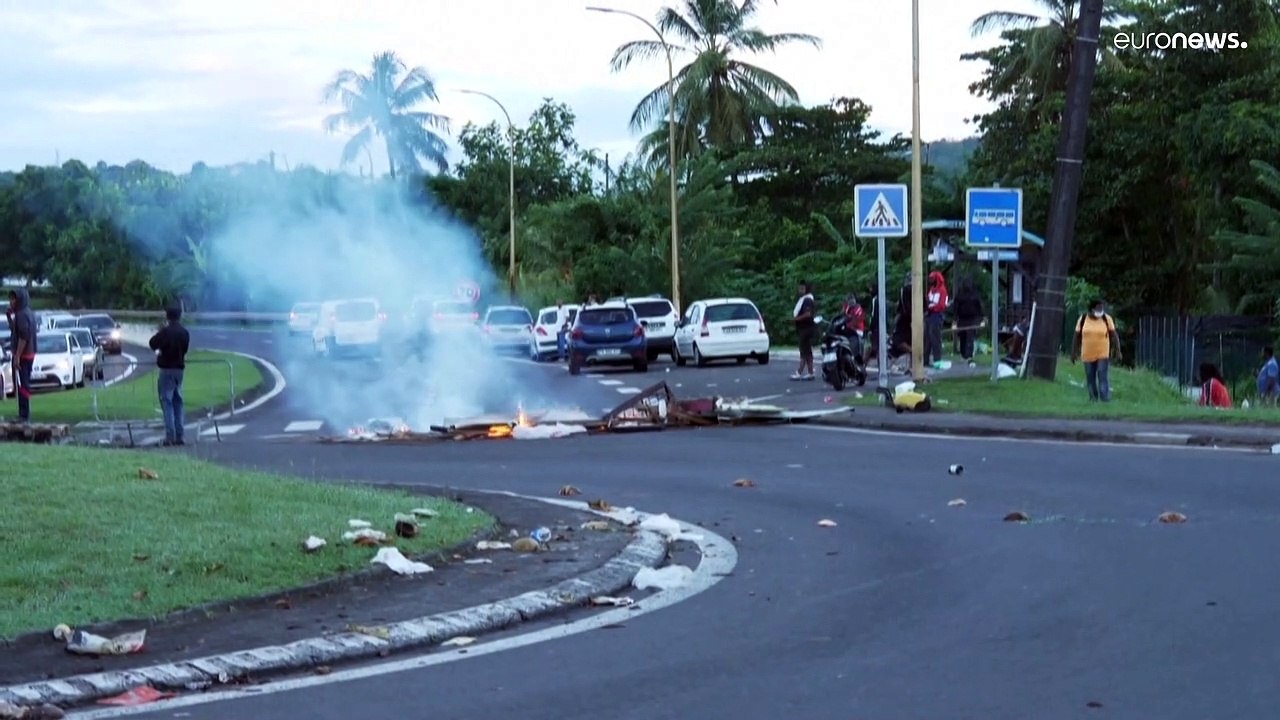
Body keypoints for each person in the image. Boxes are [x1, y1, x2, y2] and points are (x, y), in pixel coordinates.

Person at [149, 306, 191, 446]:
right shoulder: (184, 332)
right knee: (178, 401)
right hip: (179, 369)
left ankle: (170, 435)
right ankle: (180, 435)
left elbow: (152, 343)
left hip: (166, 368)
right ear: (179, 316)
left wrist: (161, 332)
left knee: (167, 401)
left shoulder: (165, 332)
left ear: (167, 317)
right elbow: (185, 349)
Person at [1070, 298, 1122, 402]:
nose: (1101, 311)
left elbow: (1114, 336)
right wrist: (1073, 352)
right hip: (1087, 354)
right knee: (1090, 377)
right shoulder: (1083, 319)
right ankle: (1093, 398)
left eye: (1102, 308)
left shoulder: (1107, 319)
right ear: (1092, 309)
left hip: (1102, 353)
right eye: (1098, 308)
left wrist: (1117, 351)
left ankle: (1105, 398)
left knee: (1102, 376)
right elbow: (1076, 336)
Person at [7, 289, 37, 423]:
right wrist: (9, 317)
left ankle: (24, 414)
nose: (11, 302)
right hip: (28, 353)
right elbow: (15, 330)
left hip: (24, 355)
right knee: (22, 383)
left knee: (22, 384)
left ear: (20, 300)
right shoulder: (26, 313)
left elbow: (23, 337)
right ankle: (23, 413)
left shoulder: (22, 315)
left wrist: (17, 356)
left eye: (13, 299)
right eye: (10, 299)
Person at [953, 281, 983, 364]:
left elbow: (979, 306)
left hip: (972, 319)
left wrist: (982, 317)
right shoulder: (960, 295)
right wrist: (955, 319)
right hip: (962, 319)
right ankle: (964, 355)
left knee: (970, 337)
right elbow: (955, 308)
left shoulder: (974, 295)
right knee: (963, 337)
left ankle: (969, 355)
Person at [791, 281, 816, 381]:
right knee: (807, 351)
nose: (800, 290)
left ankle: (799, 372)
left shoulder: (807, 300)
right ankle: (810, 372)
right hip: (805, 328)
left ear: (807, 289)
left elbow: (808, 314)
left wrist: (796, 319)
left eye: (802, 288)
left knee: (803, 351)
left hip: (806, 328)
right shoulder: (804, 299)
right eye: (799, 288)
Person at [925, 271, 949, 365]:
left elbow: (942, 305)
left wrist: (932, 306)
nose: (930, 281)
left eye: (932, 279)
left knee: (935, 338)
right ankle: (925, 360)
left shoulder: (943, 290)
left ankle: (937, 360)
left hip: (937, 315)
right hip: (929, 315)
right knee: (926, 338)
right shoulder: (931, 290)